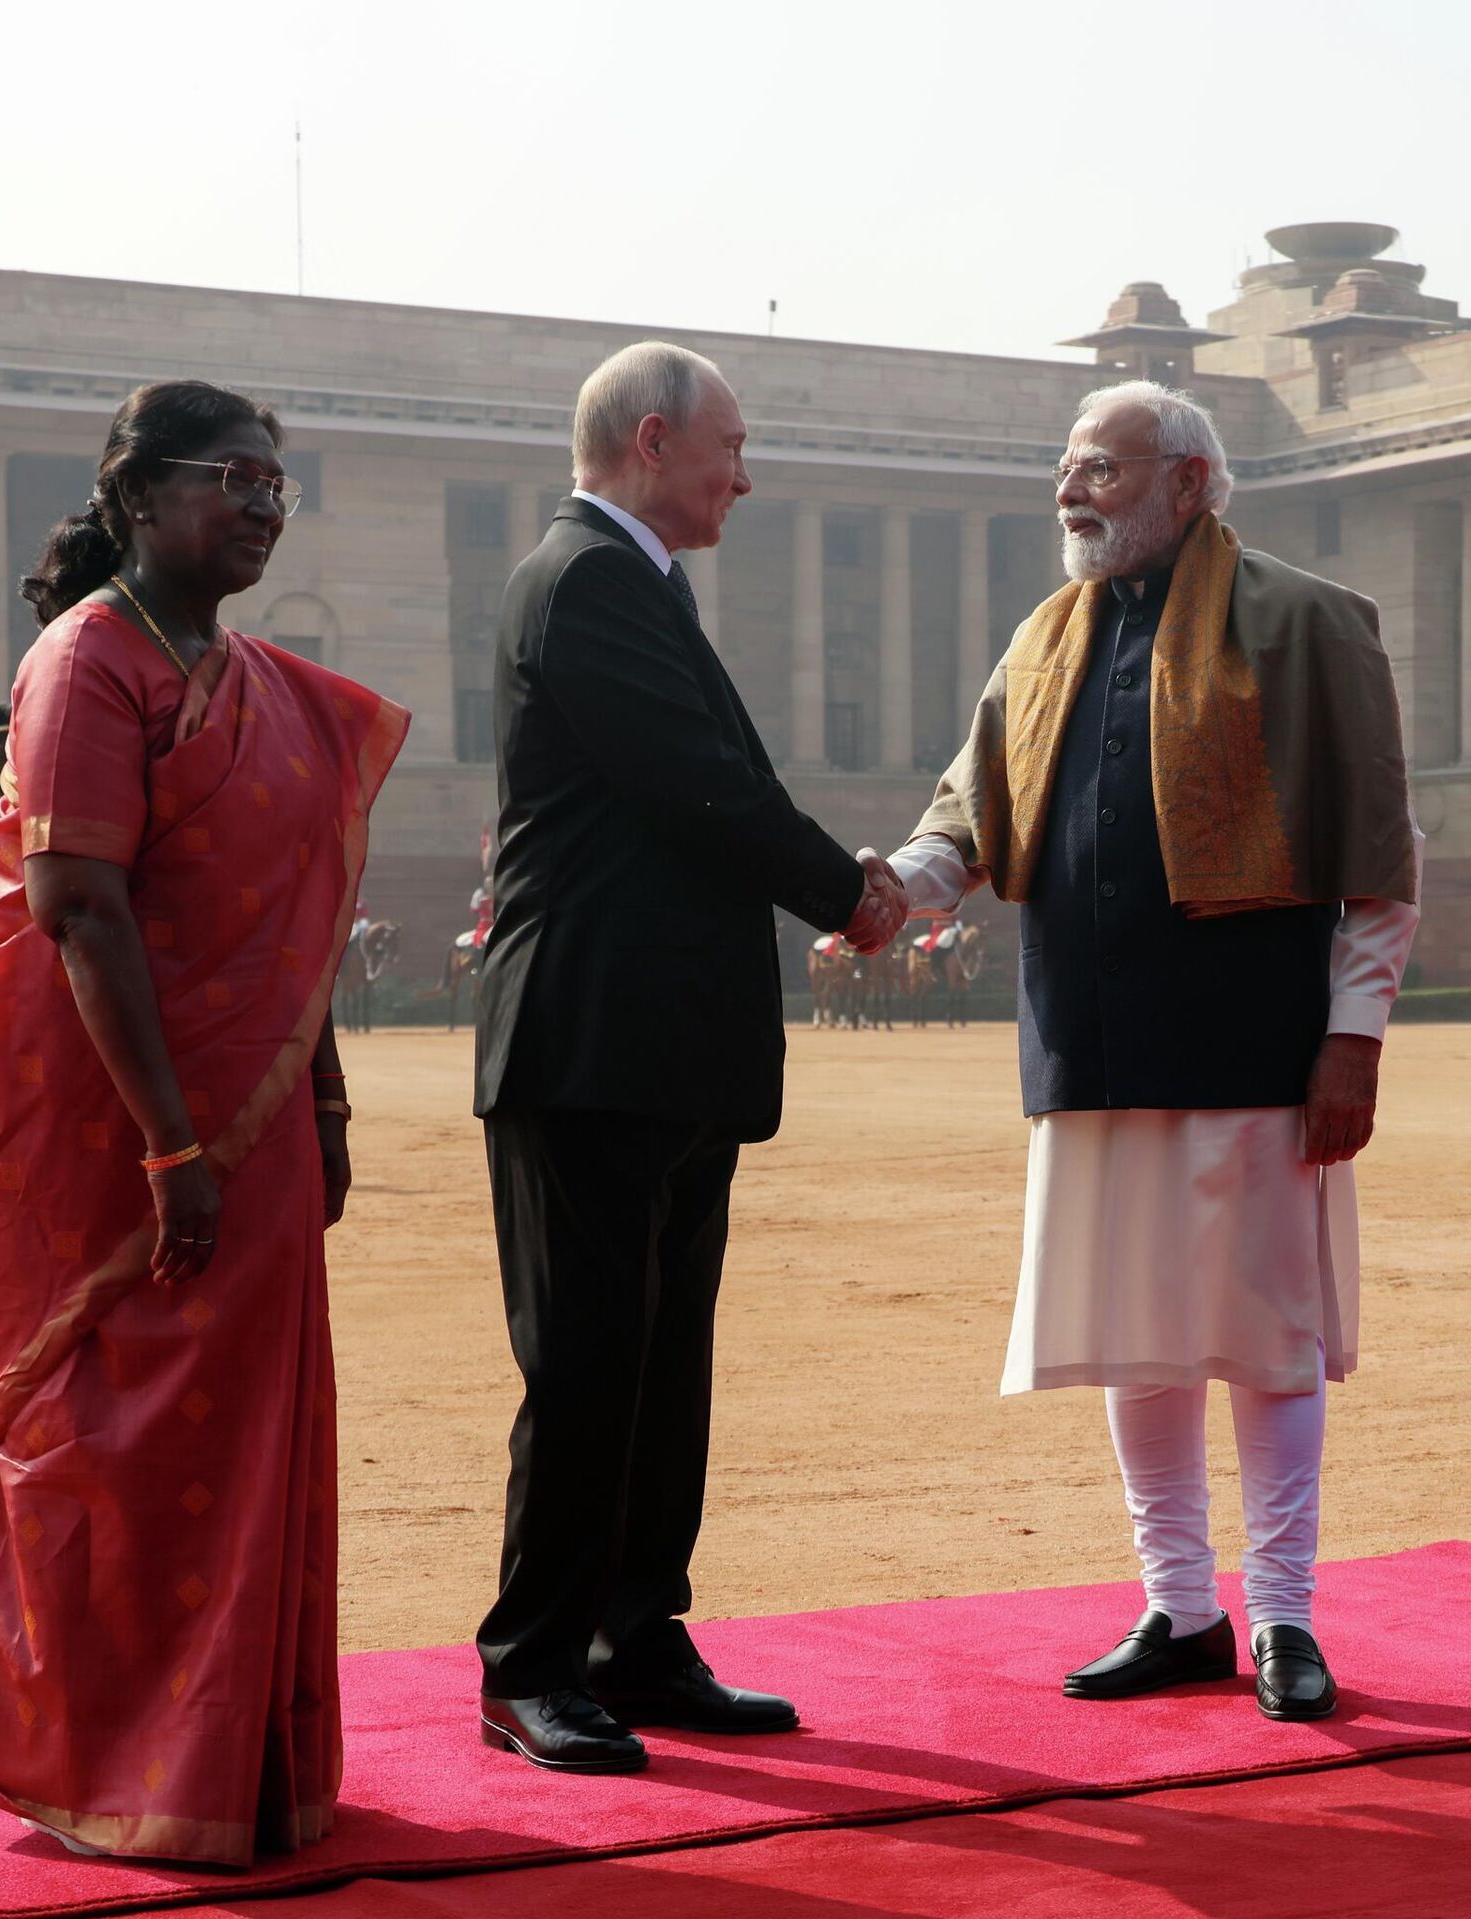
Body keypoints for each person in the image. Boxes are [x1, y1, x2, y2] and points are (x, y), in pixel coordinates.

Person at [890, 380, 1419, 1722]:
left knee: (1269, 1336)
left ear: (1189, 481)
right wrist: (890, 888)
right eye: (1069, 466)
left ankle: (1285, 1613)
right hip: (1090, 1041)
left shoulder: (1306, 621)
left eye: (1104, 468)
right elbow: (968, 813)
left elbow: (1381, 855)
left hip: (1254, 1042)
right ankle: (1182, 1607)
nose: (1073, 489)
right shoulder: (1045, 635)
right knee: (1137, 1337)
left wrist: (1353, 1036)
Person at [0, 379, 408, 1862]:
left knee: (249, 1437)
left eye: (278, 483)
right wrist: (169, 1143)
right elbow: (80, 907)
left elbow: (298, 920)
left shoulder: (266, 683)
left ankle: (237, 1769)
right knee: (114, 1436)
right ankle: (106, 1762)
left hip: (252, 1125)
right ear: (140, 494)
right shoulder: (87, 663)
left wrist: (321, 1098)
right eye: (233, 477)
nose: (265, 504)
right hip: (121, 1133)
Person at [473, 340, 906, 1774]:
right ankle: (532, 1662)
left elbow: (705, 794)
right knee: (588, 1365)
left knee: (661, 1366)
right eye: (733, 446)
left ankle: (636, 1635)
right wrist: (846, 890)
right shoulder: (585, 577)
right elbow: (700, 786)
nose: (746, 475)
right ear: (652, 441)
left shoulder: (633, 581)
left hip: (657, 1045)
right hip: (588, 1038)